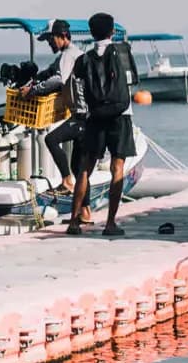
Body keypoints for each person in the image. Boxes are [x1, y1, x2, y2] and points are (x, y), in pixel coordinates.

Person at [66, 12, 133, 238]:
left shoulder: (83, 59)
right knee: (117, 168)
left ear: (91, 32)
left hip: (95, 117)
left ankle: (74, 222)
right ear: (112, 31)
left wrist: (81, 112)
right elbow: (131, 81)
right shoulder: (122, 52)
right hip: (120, 115)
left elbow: (72, 89)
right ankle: (110, 223)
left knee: (86, 167)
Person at [24, 19, 85, 193]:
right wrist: (35, 79)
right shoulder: (71, 54)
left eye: (52, 39)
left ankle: (67, 183)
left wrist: (33, 91)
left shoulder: (68, 56)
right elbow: (51, 71)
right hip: (81, 115)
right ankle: (82, 207)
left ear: (63, 36)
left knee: (51, 139)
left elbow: (59, 80)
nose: (50, 43)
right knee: (78, 167)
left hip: (82, 116)